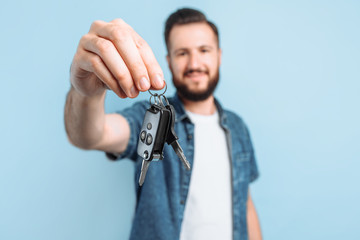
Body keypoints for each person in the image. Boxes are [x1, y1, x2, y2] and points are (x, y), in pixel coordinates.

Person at [65, 8, 262, 240]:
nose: (195, 63)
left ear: (218, 55)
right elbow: (91, 135)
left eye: (204, 50)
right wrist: (86, 93)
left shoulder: (238, 127)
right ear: (168, 61)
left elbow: (245, 203)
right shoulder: (150, 116)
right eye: (182, 53)